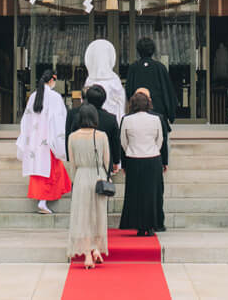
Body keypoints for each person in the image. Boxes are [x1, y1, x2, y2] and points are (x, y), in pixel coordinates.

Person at [16, 70, 71, 214]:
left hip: (35, 140)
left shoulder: (34, 96)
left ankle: (42, 200)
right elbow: (60, 118)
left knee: (39, 169)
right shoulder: (55, 97)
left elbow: (26, 119)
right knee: (51, 171)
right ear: (52, 80)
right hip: (49, 140)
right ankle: (43, 200)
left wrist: (26, 138)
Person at [66, 104, 110, 269]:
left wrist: (74, 180)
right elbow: (106, 161)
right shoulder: (102, 136)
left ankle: (87, 256)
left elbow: (72, 163)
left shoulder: (72, 137)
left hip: (81, 177)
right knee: (98, 215)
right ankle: (97, 249)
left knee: (83, 216)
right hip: (98, 177)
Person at [118, 92, 164, 236]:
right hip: (152, 157)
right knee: (152, 193)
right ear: (148, 104)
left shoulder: (126, 120)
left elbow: (123, 141)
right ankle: (151, 225)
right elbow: (160, 139)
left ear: (132, 104)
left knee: (135, 194)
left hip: (133, 157)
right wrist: (152, 148)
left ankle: (138, 225)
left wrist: (130, 151)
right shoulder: (156, 119)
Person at [135, 87, 170, 232]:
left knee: (156, 193)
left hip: (147, 157)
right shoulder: (130, 118)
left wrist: (164, 161)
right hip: (149, 156)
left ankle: (157, 222)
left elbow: (162, 140)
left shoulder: (158, 118)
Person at [65, 84, 121, 173]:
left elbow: (71, 140)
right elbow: (115, 142)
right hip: (104, 163)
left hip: (82, 164)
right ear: (104, 99)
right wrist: (116, 161)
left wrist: (70, 160)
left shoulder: (78, 117)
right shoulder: (111, 119)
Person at [125, 37, 178, 124]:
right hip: (158, 111)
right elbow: (168, 90)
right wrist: (170, 113)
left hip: (138, 111)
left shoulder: (133, 67)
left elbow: (129, 90)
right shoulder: (160, 67)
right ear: (153, 50)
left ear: (138, 51)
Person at [83, 39, 126, 124]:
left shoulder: (90, 79)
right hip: (111, 119)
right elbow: (121, 101)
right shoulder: (114, 79)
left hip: (93, 120)